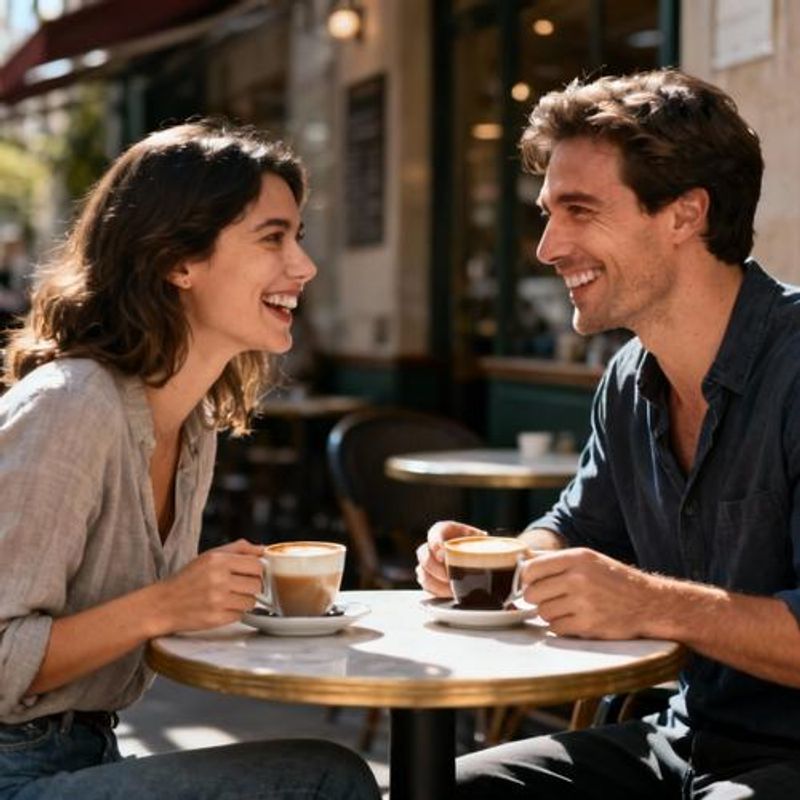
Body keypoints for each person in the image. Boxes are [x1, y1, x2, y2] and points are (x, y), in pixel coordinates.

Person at [416, 69, 800, 798]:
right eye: (547, 213)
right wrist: (503, 559)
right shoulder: (629, 377)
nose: (547, 247)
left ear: (685, 215)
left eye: (580, 210)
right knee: (442, 788)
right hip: (684, 736)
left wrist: (648, 602)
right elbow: (576, 526)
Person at [0, 120, 380, 800]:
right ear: (178, 260)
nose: (304, 266)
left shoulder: (191, 423)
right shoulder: (71, 406)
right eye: (273, 238)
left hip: (85, 754)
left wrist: (230, 607)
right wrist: (165, 605)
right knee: (327, 779)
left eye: (299, 236)